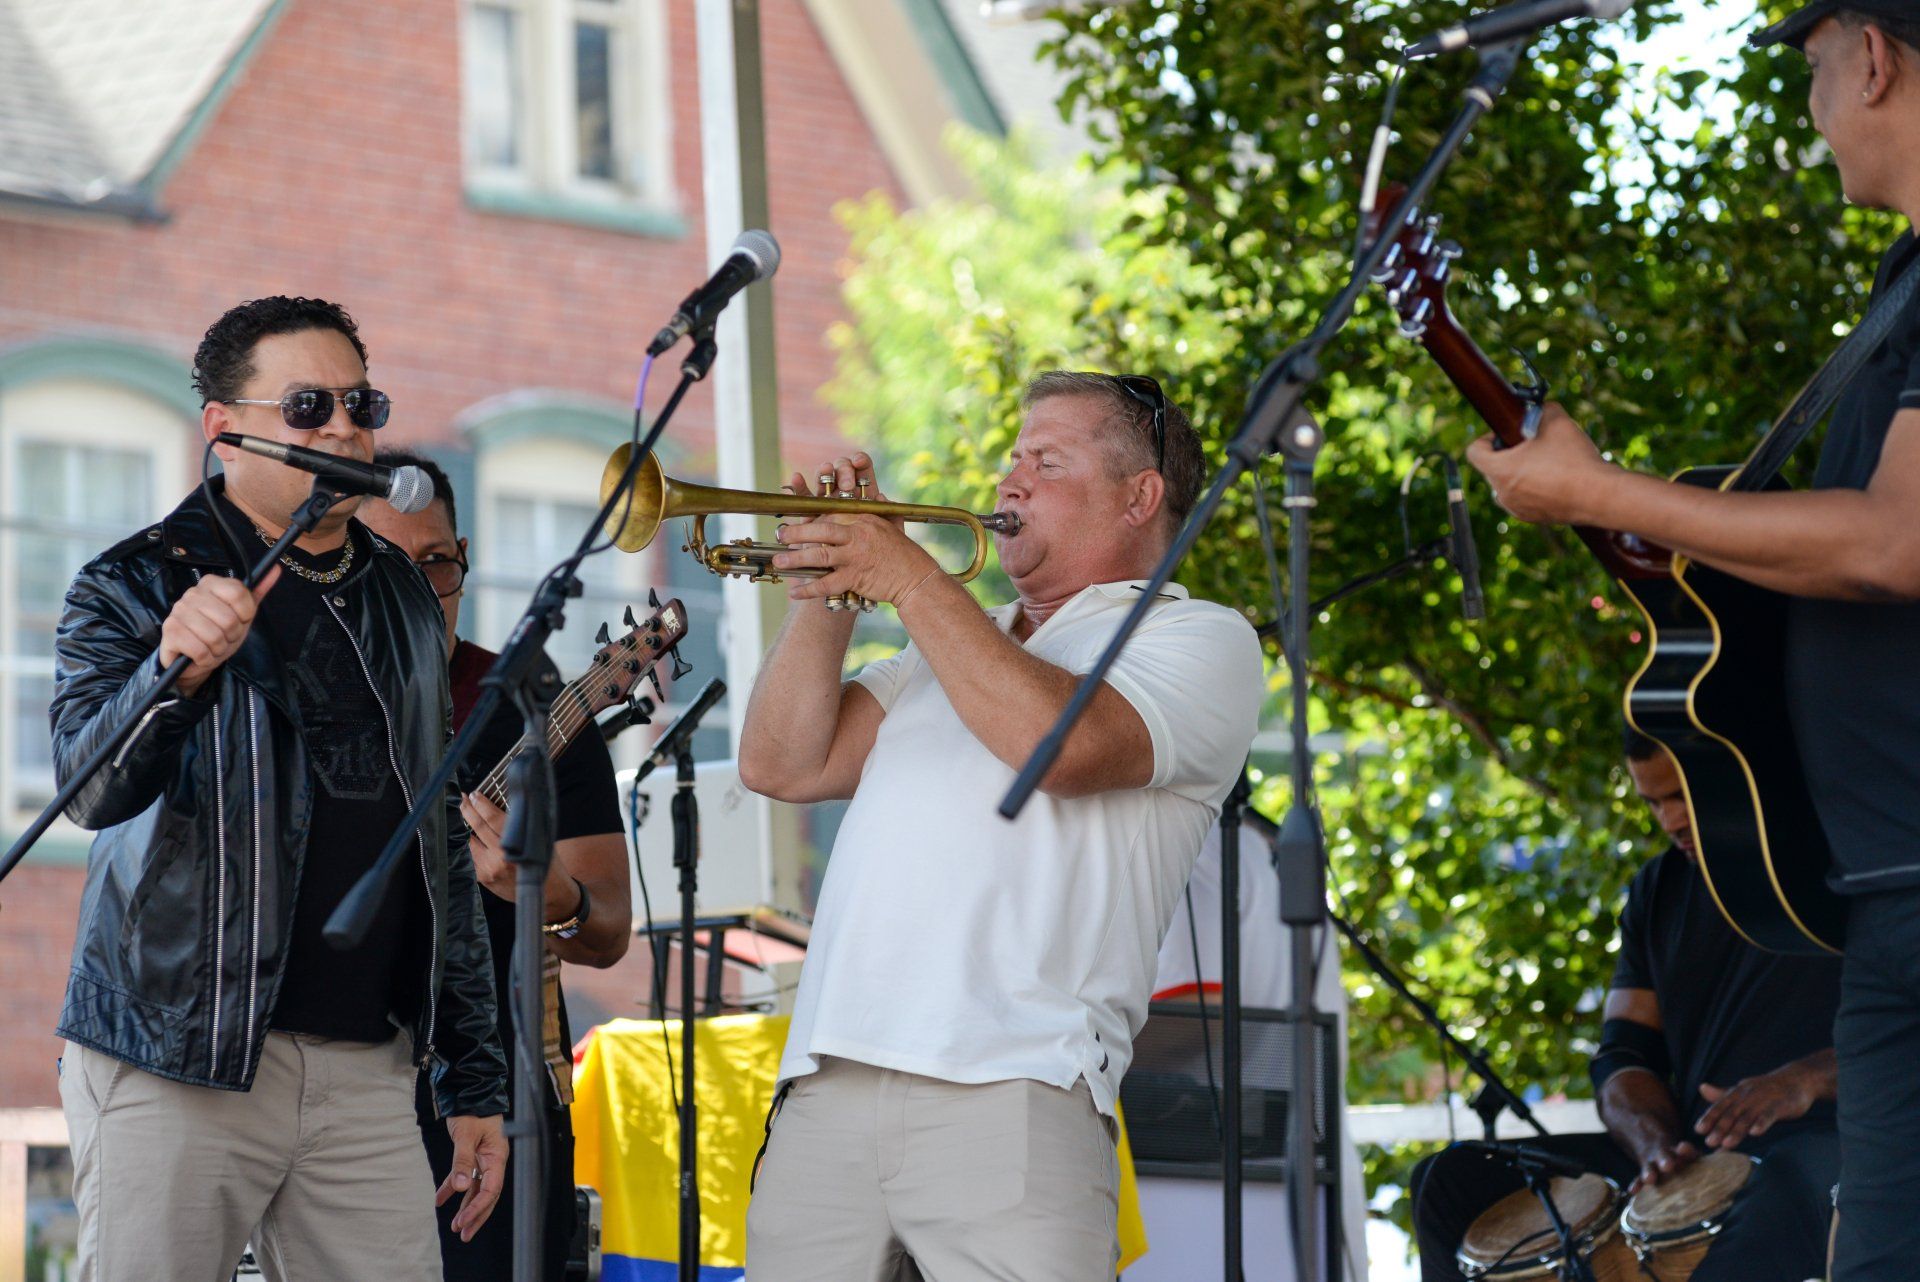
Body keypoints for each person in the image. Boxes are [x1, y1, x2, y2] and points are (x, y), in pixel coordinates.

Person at [1464, 5, 1920, 1275]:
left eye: (1816, 65)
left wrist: (1601, 492)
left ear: (1872, 57)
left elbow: (1894, 544)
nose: (1813, 102)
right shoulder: (1901, 290)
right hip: (1888, 888)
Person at [737, 370, 1266, 1279]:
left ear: (1140, 496)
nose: (1008, 483)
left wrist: (906, 575)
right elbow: (783, 764)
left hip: (1019, 1086)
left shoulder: (1200, 639)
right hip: (830, 1080)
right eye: (1012, 459)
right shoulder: (948, 640)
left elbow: (1061, 749)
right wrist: (826, 595)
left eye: (1046, 461)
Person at [48, 296, 507, 1281]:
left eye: (361, 401)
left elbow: (437, 847)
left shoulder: (398, 591)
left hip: (366, 1068)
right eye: (308, 404)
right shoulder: (132, 582)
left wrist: (474, 1075)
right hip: (179, 1052)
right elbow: (89, 793)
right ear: (223, 428)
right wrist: (168, 671)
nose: (344, 426)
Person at [1411, 730, 1843, 1282]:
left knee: (1791, 1183)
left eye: (1681, 796)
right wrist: (1656, 1146)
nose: (1669, 821)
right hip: (1693, 1147)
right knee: (1447, 1177)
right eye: (1653, 802)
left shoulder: (1841, 868)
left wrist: (1801, 1080)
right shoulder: (1659, 890)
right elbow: (1623, 1056)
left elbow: (1902, 1035)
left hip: (1824, 1143)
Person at [360, 451, 633, 1281]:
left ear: (464, 558)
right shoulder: (292, 701)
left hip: (491, 1094)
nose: (421, 588)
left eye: (436, 562)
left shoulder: (525, 703)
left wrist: (546, 893)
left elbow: (609, 931)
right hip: (329, 1082)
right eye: (387, 567)